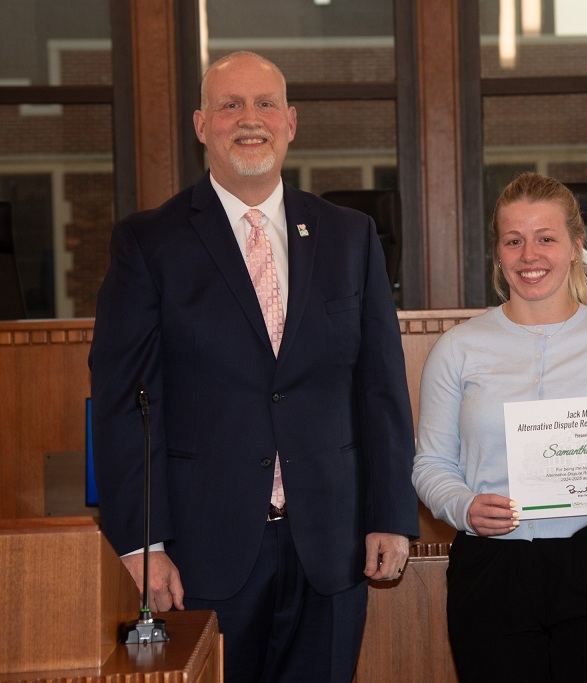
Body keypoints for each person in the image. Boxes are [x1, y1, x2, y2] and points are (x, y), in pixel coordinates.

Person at [89, 51, 419, 682]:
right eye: (230, 105)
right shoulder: (148, 242)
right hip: (201, 552)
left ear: (290, 122)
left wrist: (390, 515)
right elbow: (123, 402)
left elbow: (380, 390)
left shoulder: (349, 236)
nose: (250, 119)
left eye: (266, 104)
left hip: (331, 547)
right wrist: (141, 543)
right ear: (201, 124)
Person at [412, 172, 587, 682]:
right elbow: (431, 464)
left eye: (546, 238)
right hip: (492, 568)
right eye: (513, 241)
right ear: (498, 252)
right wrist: (464, 507)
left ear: (577, 246)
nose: (528, 255)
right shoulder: (457, 348)